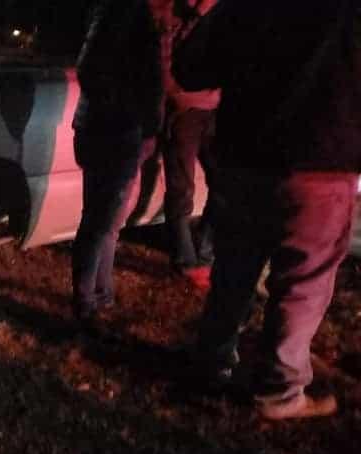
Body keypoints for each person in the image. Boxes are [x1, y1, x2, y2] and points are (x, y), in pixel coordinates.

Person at [175, 0, 361, 419]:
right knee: (303, 283)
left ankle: (211, 363)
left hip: (244, 159)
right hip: (321, 164)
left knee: (234, 271)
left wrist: (201, 19)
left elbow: (190, 69)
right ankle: (279, 391)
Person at [71, 0, 164, 322]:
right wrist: (149, 127)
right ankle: (86, 302)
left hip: (92, 126)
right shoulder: (134, 16)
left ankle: (100, 292)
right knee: (102, 223)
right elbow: (152, 79)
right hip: (118, 130)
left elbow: (87, 69)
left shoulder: (100, 12)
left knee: (101, 220)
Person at [153, 0, 220, 288]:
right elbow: (161, 61)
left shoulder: (220, 15)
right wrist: (178, 96)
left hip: (214, 109)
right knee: (181, 187)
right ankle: (186, 260)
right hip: (184, 112)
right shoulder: (172, 13)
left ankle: (204, 253)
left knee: (224, 184)